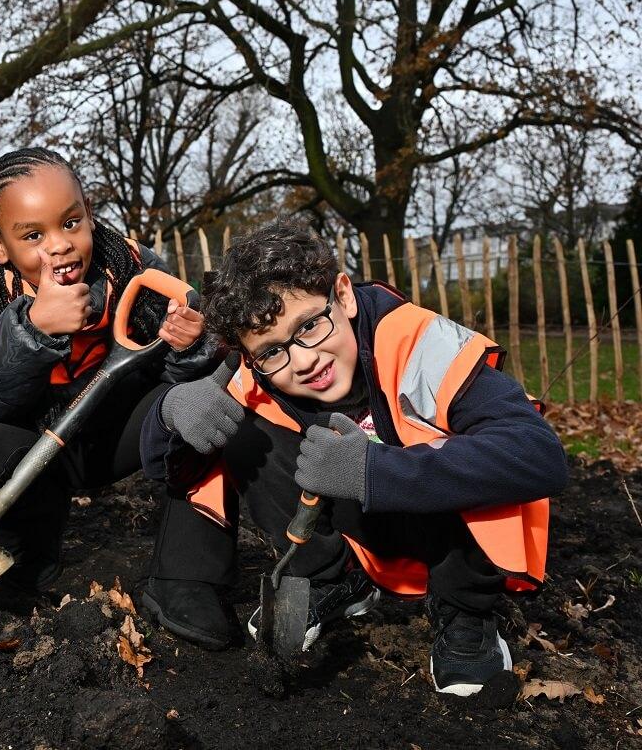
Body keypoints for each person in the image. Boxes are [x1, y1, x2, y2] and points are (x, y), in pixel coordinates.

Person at [139, 218, 566, 696]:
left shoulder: (421, 343)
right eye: (273, 351)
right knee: (240, 433)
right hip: (367, 535)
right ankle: (332, 579)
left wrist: (371, 470)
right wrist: (168, 414)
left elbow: (539, 457)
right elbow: (163, 470)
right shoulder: (255, 373)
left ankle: (466, 615)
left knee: (483, 454)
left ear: (342, 294)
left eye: (309, 327)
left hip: (454, 545)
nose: (303, 361)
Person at [0, 147, 217, 591]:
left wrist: (190, 347)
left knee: (205, 402)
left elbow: (178, 378)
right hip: (34, 446)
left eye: (69, 222)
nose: (59, 244)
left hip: (117, 436)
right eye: (33, 236)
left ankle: (187, 575)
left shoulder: (132, 265)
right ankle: (30, 548)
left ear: (89, 213)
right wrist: (32, 330)